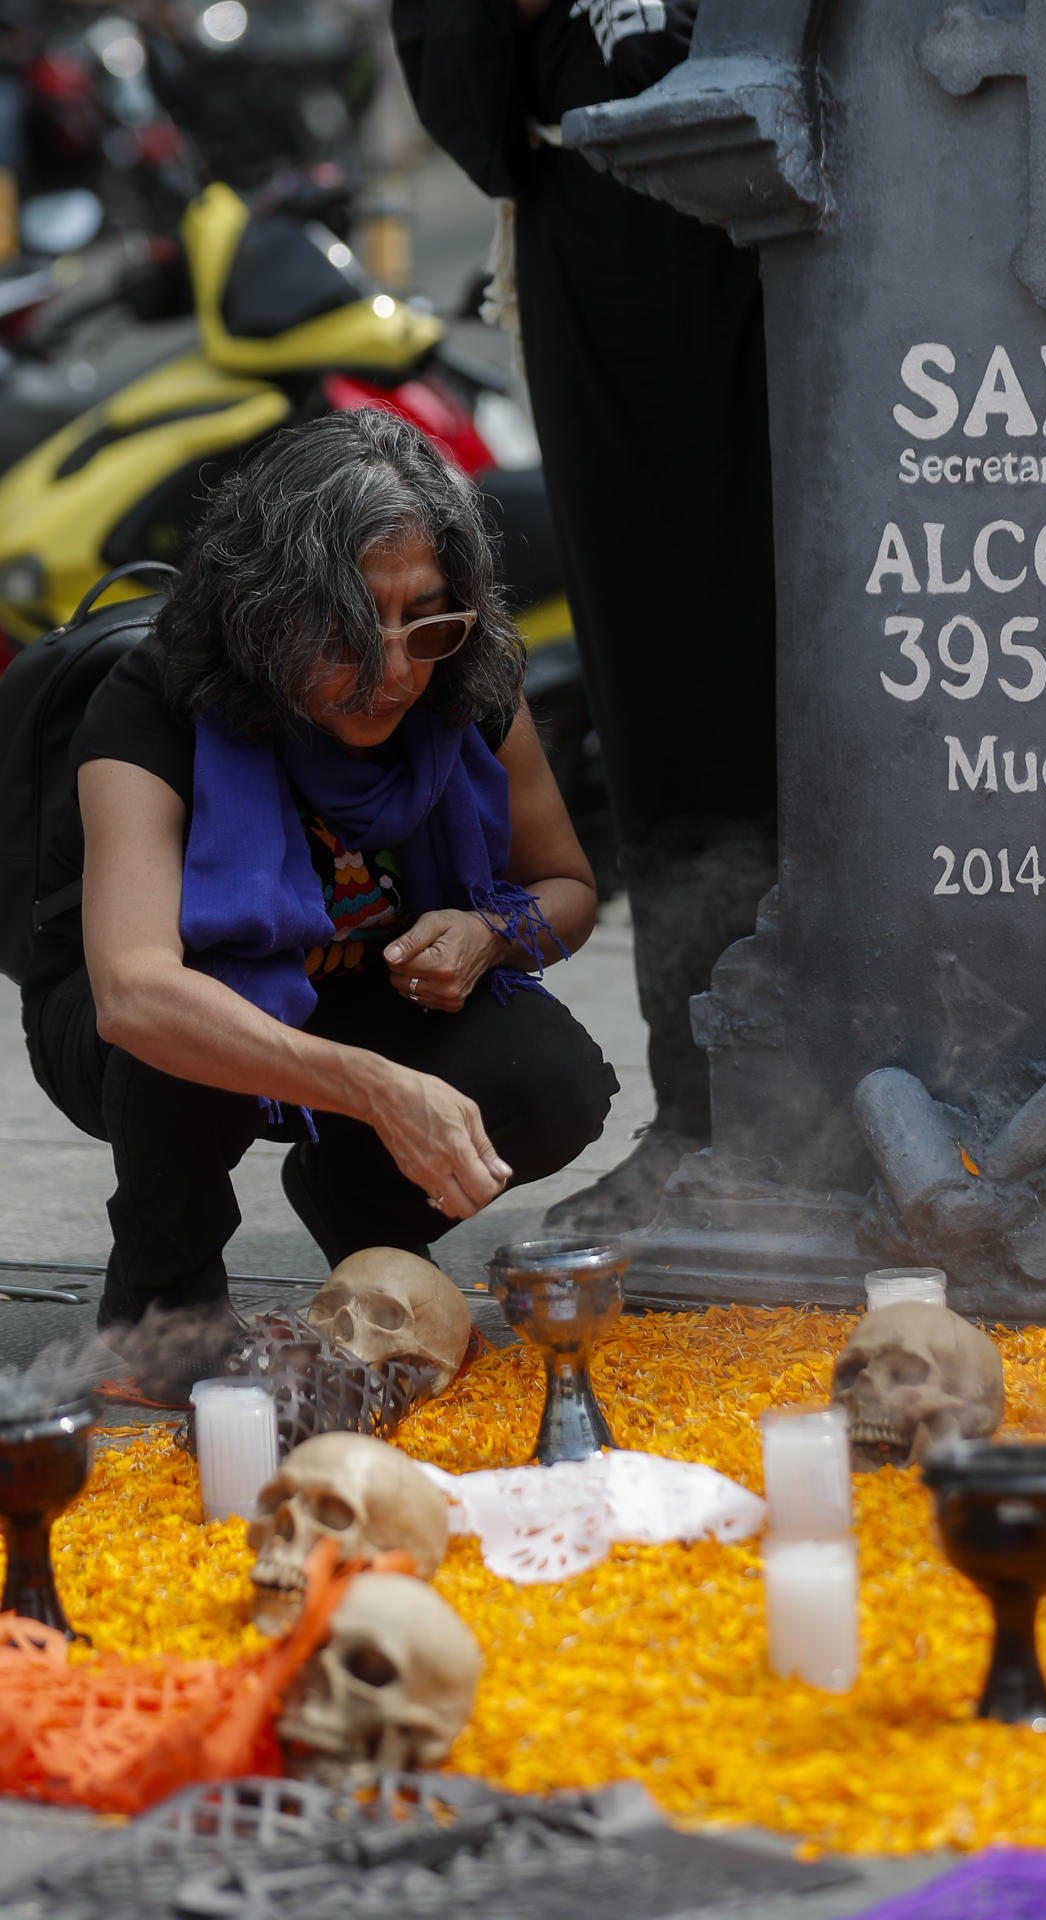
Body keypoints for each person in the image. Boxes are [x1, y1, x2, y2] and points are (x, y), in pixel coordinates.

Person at [20, 408, 618, 1401]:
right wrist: (380, 1090)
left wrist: (485, 934)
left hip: (364, 996)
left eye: (424, 623)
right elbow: (134, 991)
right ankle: (160, 1311)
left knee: (551, 1082)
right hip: (137, 1031)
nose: (391, 672)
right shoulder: (159, 700)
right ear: (264, 613)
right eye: (344, 632)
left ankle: (359, 1207)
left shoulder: (463, 681)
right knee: (199, 1009)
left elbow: (569, 890)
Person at [392, 0, 777, 1234]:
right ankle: (715, 1109)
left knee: (889, 660)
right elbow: (473, 105)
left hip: (853, 224)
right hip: (612, 256)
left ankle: (926, 1080)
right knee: (672, 685)